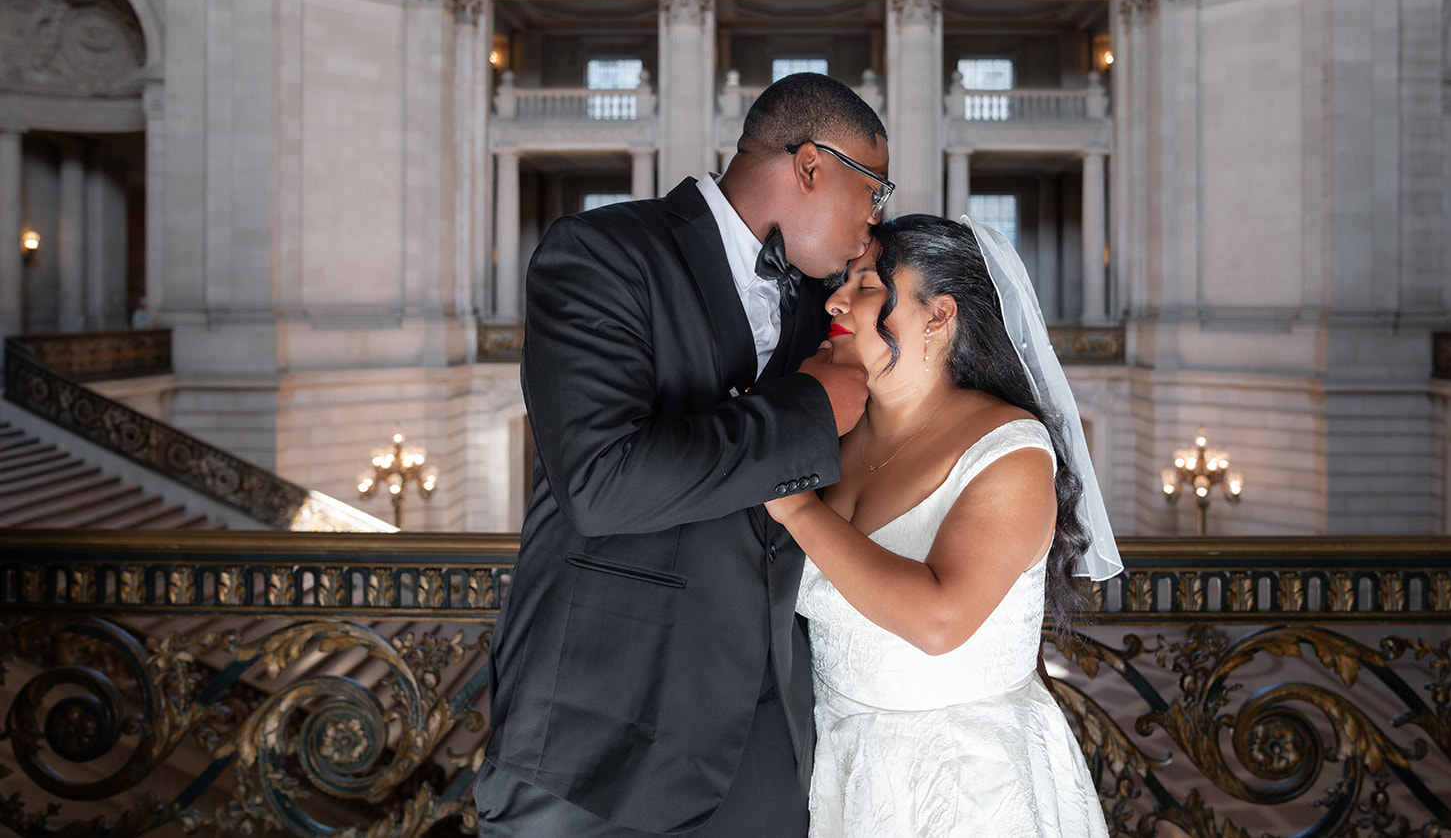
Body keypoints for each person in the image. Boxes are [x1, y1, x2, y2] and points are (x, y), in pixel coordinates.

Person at [477, 72, 890, 837]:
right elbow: (602, 481)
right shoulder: (601, 253)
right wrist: (806, 413)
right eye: (874, 190)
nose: (873, 222)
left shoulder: (827, 302)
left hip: (763, 743)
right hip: (596, 738)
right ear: (811, 166)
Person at [766, 214, 1123, 838]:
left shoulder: (1009, 450)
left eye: (868, 284)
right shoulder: (833, 435)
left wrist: (793, 504)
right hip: (837, 772)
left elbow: (940, 621)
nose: (835, 299)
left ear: (939, 316)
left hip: (967, 783)